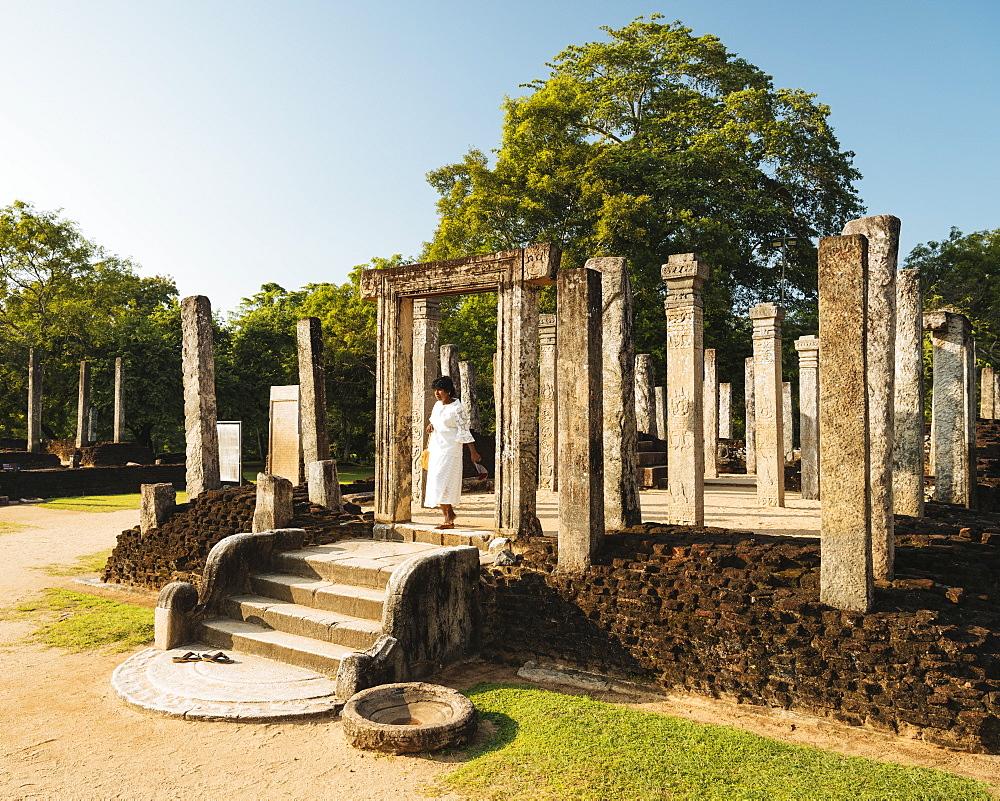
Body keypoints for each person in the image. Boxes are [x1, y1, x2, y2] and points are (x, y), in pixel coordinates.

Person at [424, 375, 481, 529]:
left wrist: (473, 452)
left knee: (444, 482)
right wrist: (431, 425)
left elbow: (464, 431)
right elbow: (436, 420)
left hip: (450, 450)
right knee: (435, 482)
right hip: (436, 448)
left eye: (440, 390)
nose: (437, 393)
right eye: (435, 390)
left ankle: (448, 518)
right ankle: (448, 515)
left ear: (448, 391)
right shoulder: (437, 406)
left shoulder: (457, 408)